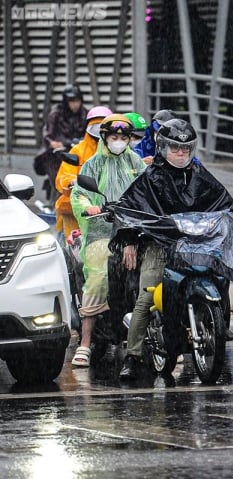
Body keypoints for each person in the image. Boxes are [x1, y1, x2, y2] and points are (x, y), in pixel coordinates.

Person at [115, 119, 233, 381]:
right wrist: (129, 240)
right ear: (162, 147)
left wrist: (229, 220)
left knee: (220, 276)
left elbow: (225, 203)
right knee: (148, 295)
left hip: (196, 243)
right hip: (159, 245)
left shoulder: (200, 175)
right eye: (175, 148)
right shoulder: (150, 177)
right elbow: (129, 208)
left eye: (186, 149)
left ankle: (217, 325)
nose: (181, 153)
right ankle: (133, 354)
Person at [69, 114, 146, 368]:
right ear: (104, 138)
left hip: (133, 232)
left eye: (124, 137)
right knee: (99, 277)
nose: (119, 141)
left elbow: (148, 192)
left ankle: (165, 339)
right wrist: (89, 208)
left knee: (155, 276)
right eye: (114, 137)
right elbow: (79, 195)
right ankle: (86, 342)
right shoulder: (92, 165)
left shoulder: (136, 163)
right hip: (102, 233)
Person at [54, 105, 112, 238]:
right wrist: (72, 181)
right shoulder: (77, 151)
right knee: (73, 245)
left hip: (108, 203)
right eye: (95, 126)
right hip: (77, 205)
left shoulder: (117, 150)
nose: (99, 131)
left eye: (103, 126)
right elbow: (64, 176)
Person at [34, 84, 89, 204]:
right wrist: (53, 143)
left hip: (77, 151)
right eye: (72, 101)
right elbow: (48, 135)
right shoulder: (56, 114)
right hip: (56, 154)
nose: (75, 104)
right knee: (58, 177)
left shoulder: (85, 114)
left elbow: (88, 133)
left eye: (77, 101)